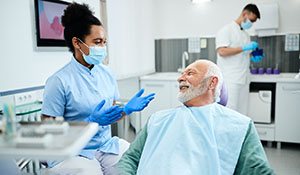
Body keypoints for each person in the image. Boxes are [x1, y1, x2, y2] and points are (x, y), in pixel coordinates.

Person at [41, 2, 155, 175]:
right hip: (73, 152)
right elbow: (50, 134)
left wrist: (126, 109)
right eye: (97, 42)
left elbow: (112, 113)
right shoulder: (59, 81)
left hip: (105, 146)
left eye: (104, 42)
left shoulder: (107, 74)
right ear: (77, 43)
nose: (102, 47)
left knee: (137, 163)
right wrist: (89, 123)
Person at [117, 60, 274, 175]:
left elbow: (258, 170)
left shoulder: (239, 126)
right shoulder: (157, 120)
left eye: (190, 73)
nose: (180, 78)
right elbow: (130, 159)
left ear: (212, 83)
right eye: (182, 74)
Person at [215, 3, 261, 113]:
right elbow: (222, 51)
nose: (252, 24)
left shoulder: (246, 34)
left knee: (242, 112)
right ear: (245, 14)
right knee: (230, 112)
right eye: (251, 20)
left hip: (244, 78)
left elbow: (245, 53)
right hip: (230, 79)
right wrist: (244, 48)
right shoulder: (226, 30)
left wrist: (254, 55)